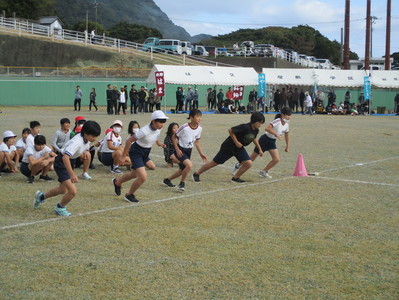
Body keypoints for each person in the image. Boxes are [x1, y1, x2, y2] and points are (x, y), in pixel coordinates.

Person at [34, 121, 101, 216]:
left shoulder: (86, 139)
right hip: (62, 162)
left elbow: (81, 149)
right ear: (85, 134)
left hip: (69, 161)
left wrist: (83, 153)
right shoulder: (77, 142)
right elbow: (65, 156)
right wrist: (72, 174)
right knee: (73, 191)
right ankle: (60, 208)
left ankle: (41, 196)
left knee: (62, 190)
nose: (95, 139)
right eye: (93, 136)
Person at [112, 111, 168, 203]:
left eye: (163, 122)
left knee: (134, 174)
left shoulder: (158, 128)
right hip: (136, 151)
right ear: (153, 121)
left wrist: (159, 143)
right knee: (143, 177)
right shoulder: (144, 131)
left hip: (146, 152)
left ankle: (117, 182)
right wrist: (122, 157)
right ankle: (129, 195)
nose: (162, 124)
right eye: (160, 122)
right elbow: (129, 141)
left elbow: (156, 136)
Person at [192, 112, 265, 183]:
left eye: (261, 123)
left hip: (239, 148)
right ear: (254, 121)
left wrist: (260, 149)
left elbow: (254, 138)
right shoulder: (245, 127)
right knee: (214, 163)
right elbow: (230, 130)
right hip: (229, 147)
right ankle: (196, 174)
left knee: (248, 163)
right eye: (259, 122)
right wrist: (236, 142)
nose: (260, 125)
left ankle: (235, 178)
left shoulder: (256, 130)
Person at [234, 107, 292, 179]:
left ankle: (264, 172)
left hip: (272, 142)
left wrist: (287, 146)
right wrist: (276, 134)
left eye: (290, 115)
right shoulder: (277, 121)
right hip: (264, 140)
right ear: (282, 114)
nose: (289, 117)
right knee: (251, 159)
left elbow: (287, 135)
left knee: (276, 159)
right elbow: (267, 128)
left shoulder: (286, 125)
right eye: (287, 115)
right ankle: (238, 165)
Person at [163, 109, 207, 191]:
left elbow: (196, 141)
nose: (199, 118)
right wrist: (177, 149)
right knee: (189, 165)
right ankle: (181, 184)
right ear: (191, 117)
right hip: (180, 150)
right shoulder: (184, 127)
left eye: (200, 117)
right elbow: (174, 137)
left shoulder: (200, 128)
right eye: (197, 116)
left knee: (182, 170)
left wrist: (201, 153)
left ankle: (167, 180)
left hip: (188, 150)